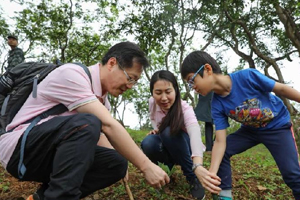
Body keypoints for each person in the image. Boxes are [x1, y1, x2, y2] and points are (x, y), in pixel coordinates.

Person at [0, 41, 169, 200]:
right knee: (88, 122)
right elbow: (106, 125)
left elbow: (101, 135)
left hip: (47, 153)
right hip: (20, 149)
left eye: (135, 82)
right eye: (130, 78)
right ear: (111, 63)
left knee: (116, 162)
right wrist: (145, 165)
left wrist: (122, 162)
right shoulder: (72, 75)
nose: (131, 85)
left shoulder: (103, 101)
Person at [180, 50, 300, 200]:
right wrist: (211, 173)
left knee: (292, 175)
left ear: (207, 69)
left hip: (277, 126)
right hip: (250, 130)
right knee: (223, 151)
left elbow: (281, 89)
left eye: (192, 80)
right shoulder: (216, 104)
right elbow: (220, 141)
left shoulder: (247, 76)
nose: (192, 87)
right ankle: (224, 196)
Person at [141, 70, 207, 200]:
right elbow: (153, 118)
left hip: (186, 147)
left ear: (176, 91)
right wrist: (156, 130)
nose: (164, 98)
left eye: (168, 91)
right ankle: (162, 171)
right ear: (152, 93)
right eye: (158, 93)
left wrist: (197, 165)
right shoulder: (152, 103)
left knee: (169, 132)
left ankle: (192, 177)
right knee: (148, 142)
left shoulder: (184, 108)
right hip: (168, 143)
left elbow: (195, 134)